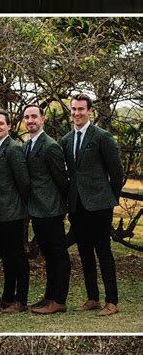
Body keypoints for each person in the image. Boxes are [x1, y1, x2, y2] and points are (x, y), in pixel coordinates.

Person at [61, 94, 124, 316]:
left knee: (103, 252)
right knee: (84, 252)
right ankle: (92, 298)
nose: (77, 113)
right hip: (77, 205)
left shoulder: (102, 137)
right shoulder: (67, 139)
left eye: (81, 109)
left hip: (100, 205)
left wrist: (109, 198)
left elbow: (118, 173)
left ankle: (112, 301)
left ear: (90, 111)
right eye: (74, 109)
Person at [23, 103, 70, 314]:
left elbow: (61, 179)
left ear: (42, 120)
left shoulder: (50, 146)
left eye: (34, 116)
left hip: (51, 209)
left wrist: (61, 206)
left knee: (58, 255)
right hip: (37, 209)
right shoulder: (27, 144)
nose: (30, 120)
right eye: (27, 117)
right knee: (48, 256)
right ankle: (49, 296)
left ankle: (59, 300)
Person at [0, 109, 30, 313]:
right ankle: (7, 296)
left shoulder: (13, 149)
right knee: (5, 256)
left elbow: (23, 182)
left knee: (17, 256)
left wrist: (19, 207)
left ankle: (20, 299)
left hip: (12, 212)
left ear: (9, 126)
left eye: (0, 124)